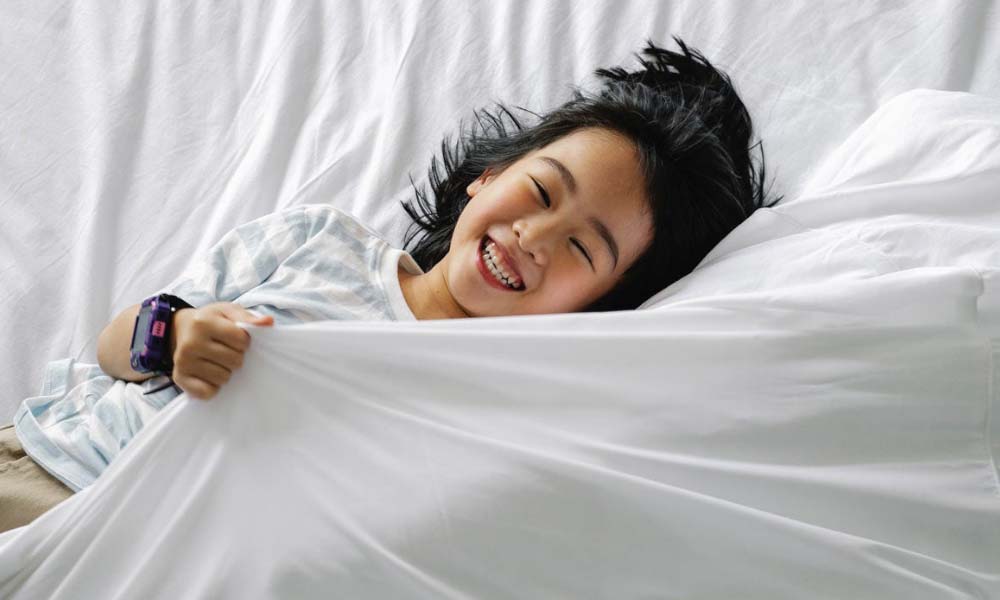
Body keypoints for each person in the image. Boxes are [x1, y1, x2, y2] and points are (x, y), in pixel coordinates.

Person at [0, 36, 779, 532]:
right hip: (51, 473)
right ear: (489, 177)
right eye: (540, 194)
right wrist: (173, 337)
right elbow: (115, 345)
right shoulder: (320, 242)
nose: (532, 239)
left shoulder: (492, 402)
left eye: (581, 246)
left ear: (597, 303)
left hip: (147, 556)